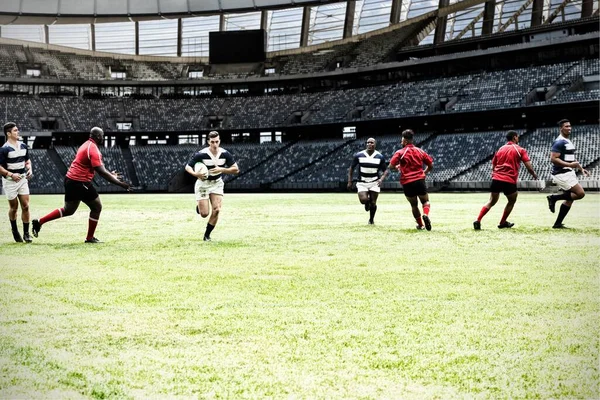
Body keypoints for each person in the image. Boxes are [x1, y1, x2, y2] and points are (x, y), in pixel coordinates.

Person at [32, 127, 131, 243]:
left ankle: (39, 222)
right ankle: (89, 238)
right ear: (98, 136)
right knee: (96, 207)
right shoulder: (93, 149)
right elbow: (101, 171)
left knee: (68, 210)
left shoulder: (86, 145)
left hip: (71, 180)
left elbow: (95, 168)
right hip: (80, 182)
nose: (103, 137)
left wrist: (110, 174)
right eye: (102, 135)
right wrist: (120, 184)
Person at [473, 130, 538, 230]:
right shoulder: (520, 149)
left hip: (496, 179)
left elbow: (494, 164)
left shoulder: (500, 149)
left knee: (491, 201)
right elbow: (528, 166)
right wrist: (533, 174)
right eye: (517, 137)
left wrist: (495, 174)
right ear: (515, 138)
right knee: (512, 200)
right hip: (509, 180)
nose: (518, 138)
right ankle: (502, 222)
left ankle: (478, 220)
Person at [185, 131, 239, 241]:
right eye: (212, 142)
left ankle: (207, 235)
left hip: (217, 183)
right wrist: (196, 174)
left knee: (217, 209)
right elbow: (188, 167)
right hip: (203, 184)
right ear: (208, 142)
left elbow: (236, 169)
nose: (215, 144)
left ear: (219, 141)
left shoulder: (225, 154)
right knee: (204, 214)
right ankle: (200, 208)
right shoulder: (201, 154)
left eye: (217, 142)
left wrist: (222, 169)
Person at [546, 119, 590, 229]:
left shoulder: (567, 141)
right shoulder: (559, 141)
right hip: (562, 173)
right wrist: (569, 166)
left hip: (567, 172)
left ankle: (557, 224)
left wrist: (581, 169)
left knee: (570, 199)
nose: (569, 128)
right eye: (566, 126)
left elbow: (572, 160)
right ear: (561, 128)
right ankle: (554, 198)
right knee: (580, 193)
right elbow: (553, 158)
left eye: (570, 126)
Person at [388, 129, 434, 230]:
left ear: (405, 141)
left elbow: (391, 166)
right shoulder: (420, 151)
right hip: (419, 181)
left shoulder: (400, 152)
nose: (401, 142)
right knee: (425, 202)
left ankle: (421, 225)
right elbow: (431, 165)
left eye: (401, 140)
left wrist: (396, 168)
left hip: (407, 182)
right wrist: (424, 173)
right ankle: (425, 214)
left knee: (414, 205)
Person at [0, 122, 33, 243]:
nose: (17, 132)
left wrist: (29, 169)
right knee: (14, 208)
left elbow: (27, 161)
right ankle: (14, 230)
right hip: (9, 182)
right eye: (15, 130)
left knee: (26, 206)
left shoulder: (23, 146)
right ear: (8, 133)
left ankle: (26, 234)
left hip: (22, 180)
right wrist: (11, 174)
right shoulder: (4, 149)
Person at [347, 137, 389, 224]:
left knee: (373, 203)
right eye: (368, 142)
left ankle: (371, 220)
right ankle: (367, 203)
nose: (370, 144)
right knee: (363, 200)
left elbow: (385, 171)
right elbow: (351, 168)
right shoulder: (359, 155)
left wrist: (381, 179)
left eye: (372, 143)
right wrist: (350, 181)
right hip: (362, 182)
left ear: (375, 144)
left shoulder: (380, 156)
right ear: (366, 144)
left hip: (374, 182)